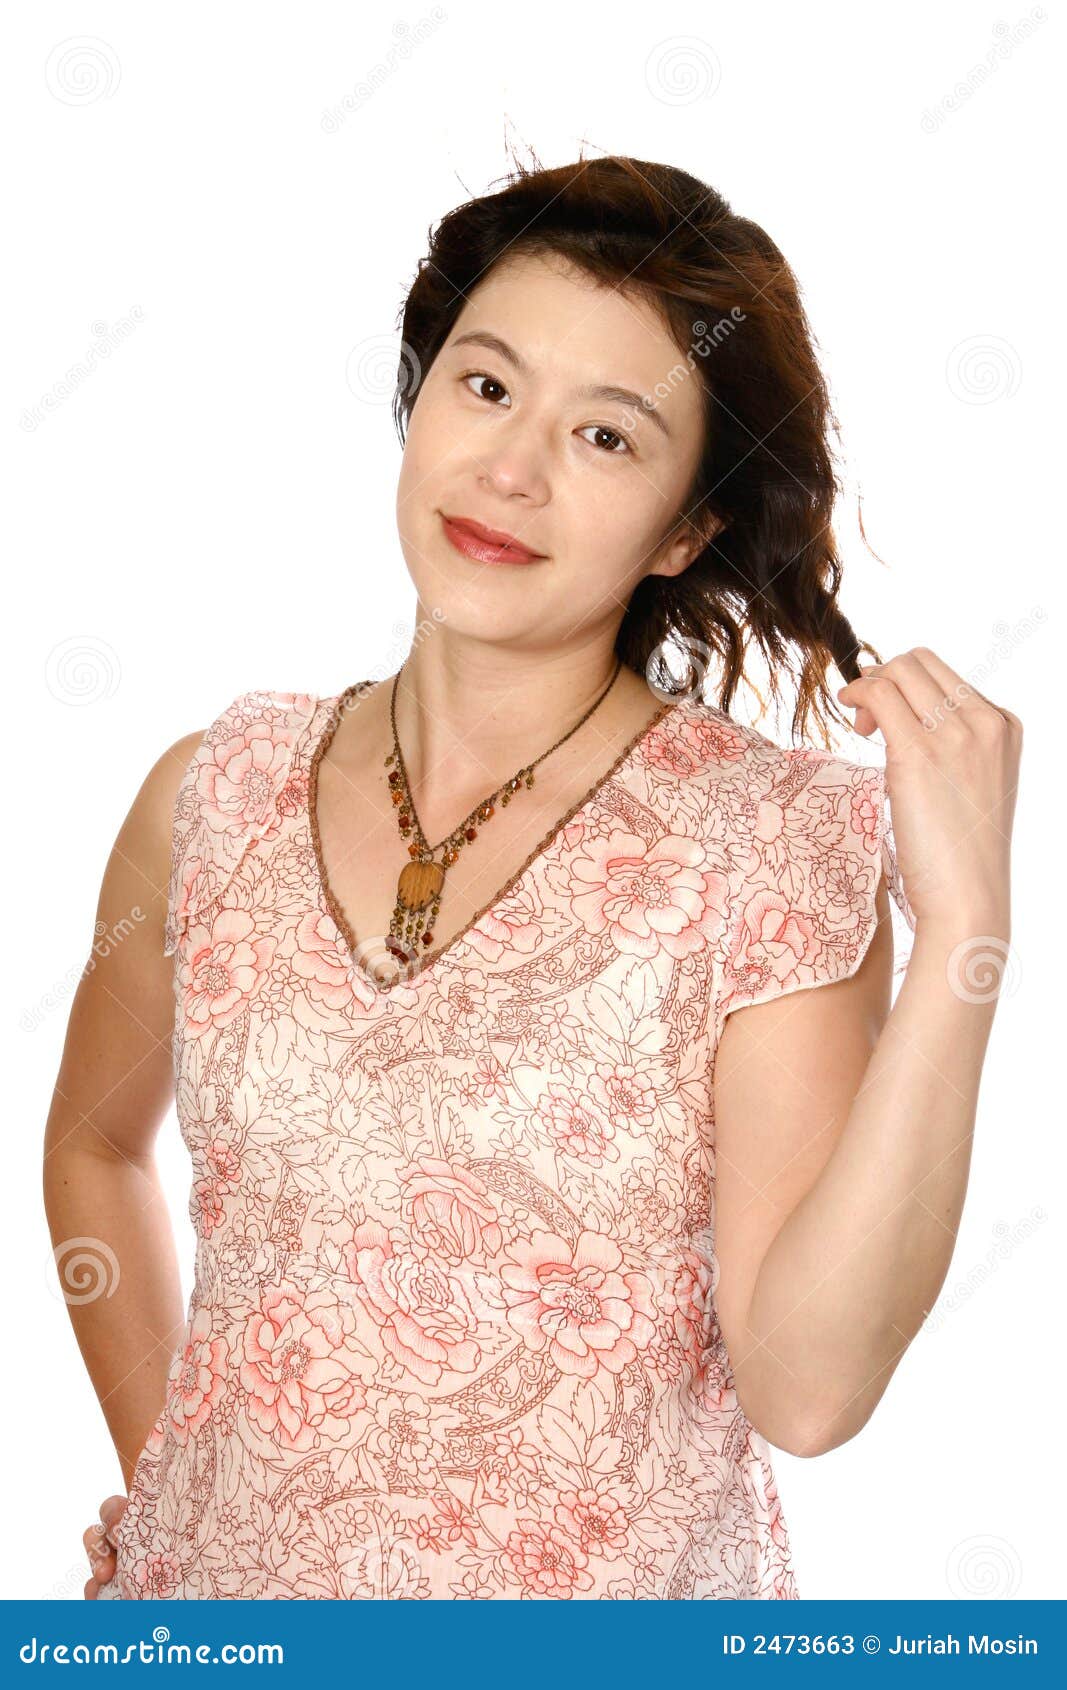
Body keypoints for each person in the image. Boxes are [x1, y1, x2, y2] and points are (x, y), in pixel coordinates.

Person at [48, 153, 1020, 1601]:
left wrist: (965, 933)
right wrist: (180, 1497)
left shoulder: (762, 847)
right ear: (418, 398)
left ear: (685, 529)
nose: (511, 469)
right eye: (487, 385)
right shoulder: (214, 794)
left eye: (608, 436)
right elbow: (94, 1149)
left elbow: (809, 1389)